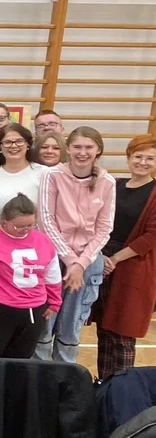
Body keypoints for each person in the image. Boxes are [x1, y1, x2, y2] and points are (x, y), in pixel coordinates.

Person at [36, 127, 115, 364]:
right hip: (53, 259)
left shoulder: (107, 182)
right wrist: (70, 259)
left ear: (98, 150)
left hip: (87, 263)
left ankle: (65, 378)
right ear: (68, 149)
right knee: (44, 323)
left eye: (89, 147)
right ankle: (39, 376)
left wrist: (80, 264)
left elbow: (104, 229)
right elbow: (46, 220)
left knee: (71, 327)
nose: (82, 152)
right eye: (77, 147)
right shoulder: (52, 175)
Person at [0, 194, 62, 364]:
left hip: (33, 311)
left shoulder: (43, 241)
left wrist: (54, 301)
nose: (26, 230)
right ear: (3, 221)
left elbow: (52, 274)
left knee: (20, 361)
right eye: (19, 226)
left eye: (30, 225)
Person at [94, 135, 156, 379]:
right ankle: (104, 385)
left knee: (123, 333)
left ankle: (122, 390)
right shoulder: (115, 184)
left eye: (150, 158)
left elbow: (151, 236)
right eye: (138, 156)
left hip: (133, 266)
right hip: (102, 260)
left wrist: (115, 259)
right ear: (129, 157)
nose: (143, 162)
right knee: (103, 329)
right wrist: (100, 257)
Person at [0, 124, 47, 225]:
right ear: (0, 147)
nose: (14, 146)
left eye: (19, 141)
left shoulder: (44, 173)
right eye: (7, 142)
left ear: (28, 144)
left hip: (31, 235)